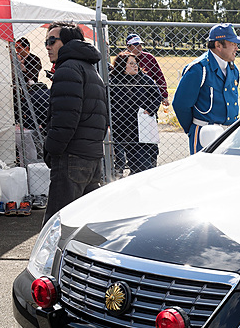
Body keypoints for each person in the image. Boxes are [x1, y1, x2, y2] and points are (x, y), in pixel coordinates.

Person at [42, 21, 107, 224]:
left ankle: (51, 258)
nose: (48, 47)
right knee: (84, 225)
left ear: (67, 42)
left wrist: (51, 150)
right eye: (46, 42)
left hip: (72, 159)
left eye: (52, 41)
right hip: (91, 158)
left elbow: (65, 120)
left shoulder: (68, 69)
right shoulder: (89, 69)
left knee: (58, 226)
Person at [172, 23, 240, 154]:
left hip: (229, 134)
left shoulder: (233, 69)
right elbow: (181, 104)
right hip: (205, 134)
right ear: (218, 45)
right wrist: (194, 129)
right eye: (233, 44)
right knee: (204, 172)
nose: (237, 48)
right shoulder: (199, 69)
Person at [109, 52, 163, 175]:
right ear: (122, 65)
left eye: (136, 63)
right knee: (123, 164)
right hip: (120, 128)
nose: (135, 66)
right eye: (131, 63)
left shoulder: (144, 78)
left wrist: (150, 109)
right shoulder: (113, 81)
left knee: (142, 165)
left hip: (140, 129)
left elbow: (157, 96)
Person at [125, 33, 169, 106]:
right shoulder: (123, 59)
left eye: (140, 45)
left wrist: (164, 95)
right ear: (128, 47)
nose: (139, 48)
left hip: (148, 97)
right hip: (128, 98)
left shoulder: (148, 58)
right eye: (136, 46)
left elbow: (159, 77)